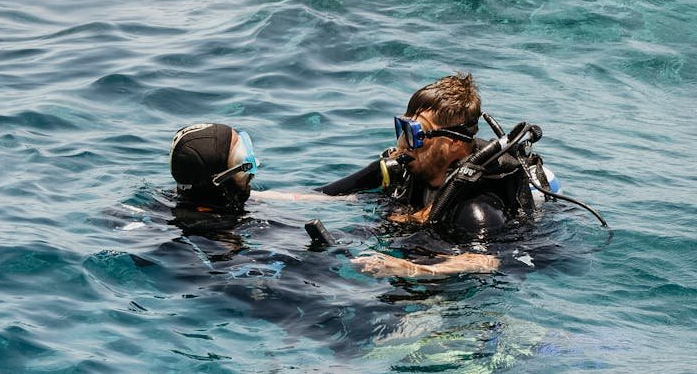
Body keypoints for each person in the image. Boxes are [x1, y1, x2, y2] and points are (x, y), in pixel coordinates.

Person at [169, 112, 501, 278]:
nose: (253, 169)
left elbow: (489, 260)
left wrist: (407, 268)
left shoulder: (188, 207)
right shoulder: (214, 235)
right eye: (244, 162)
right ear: (219, 179)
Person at [318, 72, 551, 277]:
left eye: (415, 134)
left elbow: (486, 261)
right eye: (402, 128)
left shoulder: (476, 210)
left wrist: (408, 269)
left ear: (453, 143)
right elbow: (319, 196)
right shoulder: (406, 173)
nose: (402, 143)